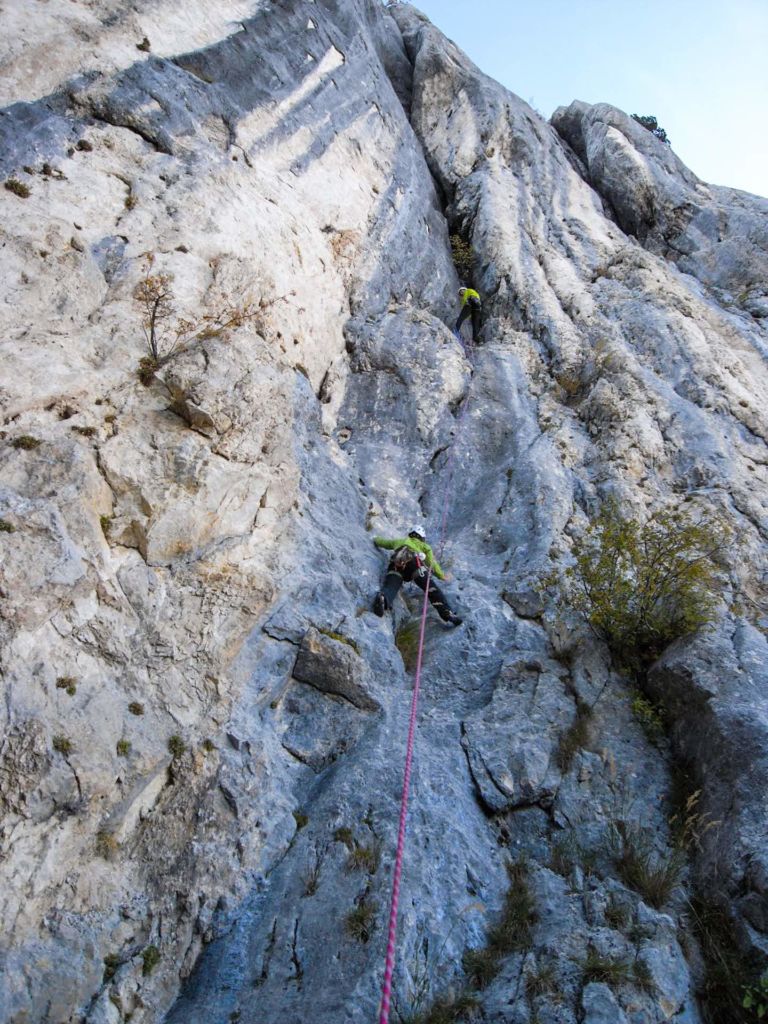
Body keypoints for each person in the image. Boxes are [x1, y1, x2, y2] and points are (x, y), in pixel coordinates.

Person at [372, 526, 463, 626]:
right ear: (422, 538)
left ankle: (383, 598)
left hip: (396, 564)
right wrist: (441, 575)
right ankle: (447, 612)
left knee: (391, 586)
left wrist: (375, 539)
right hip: (415, 565)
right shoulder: (425, 546)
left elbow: (383, 543)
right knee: (432, 589)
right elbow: (432, 563)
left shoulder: (400, 541)